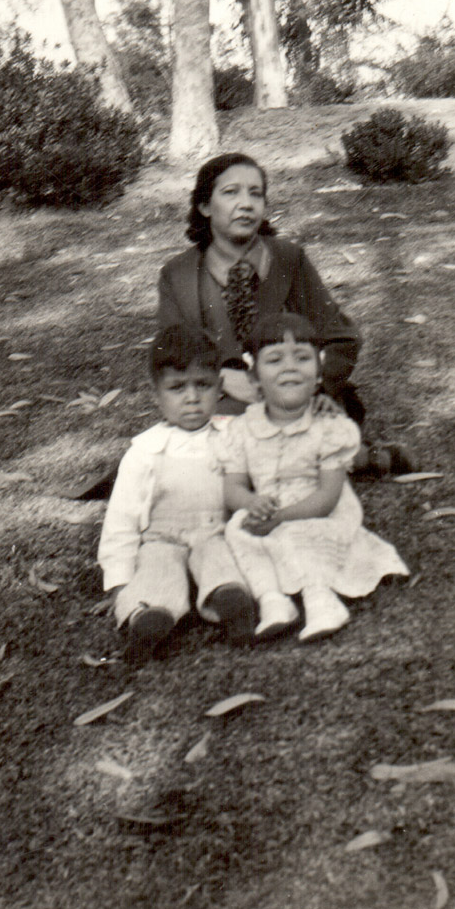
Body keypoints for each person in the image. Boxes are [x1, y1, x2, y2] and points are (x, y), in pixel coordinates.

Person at [157, 152, 412, 476]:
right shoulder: (178, 275)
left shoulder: (289, 260)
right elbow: (172, 354)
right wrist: (220, 378)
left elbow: (342, 339)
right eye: (231, 192)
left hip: (299, 399)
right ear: (205, 206)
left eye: (256, 193)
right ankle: (351, 459)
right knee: (208, 447)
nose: (246, 203)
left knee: (234, 455)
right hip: (224, 404)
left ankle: (333, 457)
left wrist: (307, 384)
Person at [215, 313, 410, 643]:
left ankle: (320, 599)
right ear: (255, 379)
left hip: (316, 509)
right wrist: (252, 503)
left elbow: (328, 497)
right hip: (268, 508)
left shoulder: (329, 427)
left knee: (299, 533)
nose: (290, 367)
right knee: (237, 531)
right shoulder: (241, 429)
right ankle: (272, 601)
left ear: (319, 373)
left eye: (302, 358)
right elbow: (232, 487)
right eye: (274, 360)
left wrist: (279, 517)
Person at [97, 325, 255, 662]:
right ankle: (148, 618)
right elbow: (121, 519)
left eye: (203, 385)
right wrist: (118, 579)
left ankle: (232, 605)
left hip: (215, 531)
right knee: (156, 572)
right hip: (161, 538)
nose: (192, 398)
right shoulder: (145, 451)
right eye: (177, 388)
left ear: (220, 387)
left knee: (221, 559)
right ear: (157, 395)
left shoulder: (234, 434)